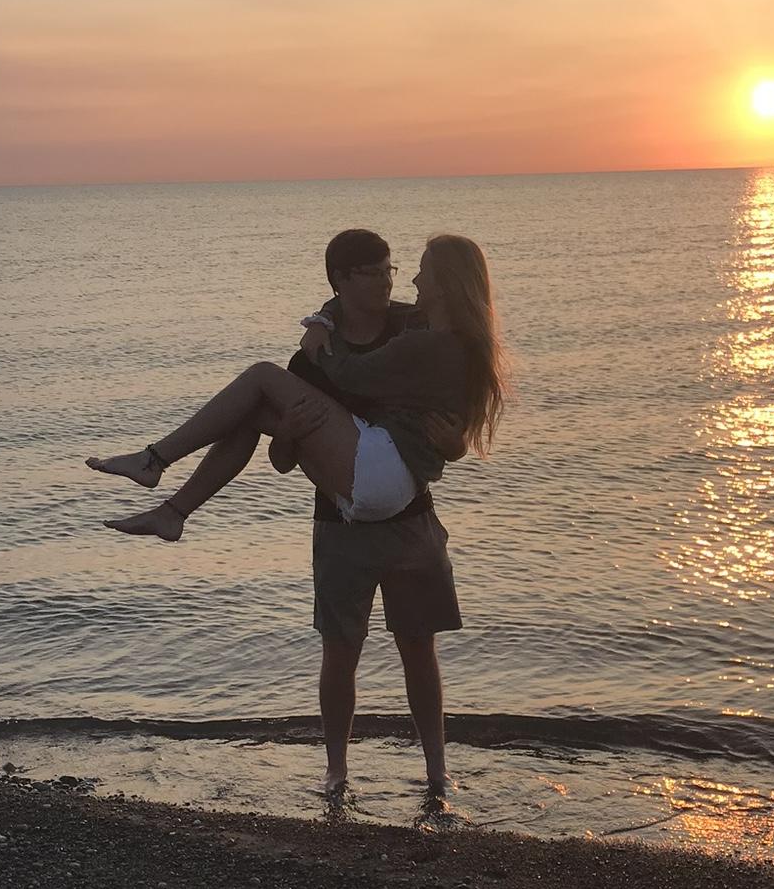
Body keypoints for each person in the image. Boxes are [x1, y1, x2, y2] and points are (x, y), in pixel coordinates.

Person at [84, 232, 509, 794]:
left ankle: (158, 467)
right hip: (344, 518)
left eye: (398, 268)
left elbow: (399, 401)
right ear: (341, 281)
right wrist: (286, 429)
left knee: (417, 648)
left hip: (406, 515)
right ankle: (336, 772)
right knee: (341, 652)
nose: (394, 279)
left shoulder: (411, 330)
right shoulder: (360, 344)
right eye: (374, 271)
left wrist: (324, 335)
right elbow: (284, 460)